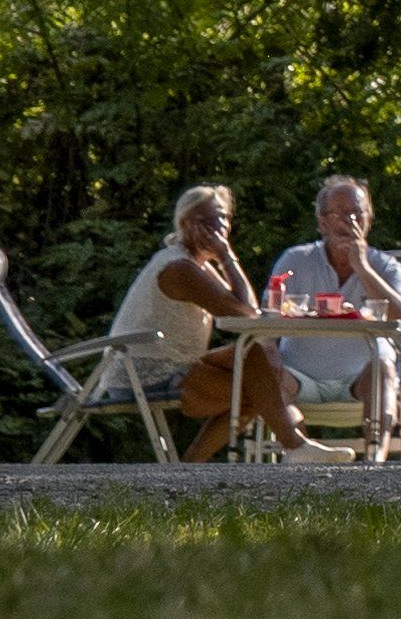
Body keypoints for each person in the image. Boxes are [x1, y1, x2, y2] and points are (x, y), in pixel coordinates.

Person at [113, 181, 310, 461]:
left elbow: (248, 311)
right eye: (207, 220)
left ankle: (192, 467)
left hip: (180, 361)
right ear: (185, 224)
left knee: (254, 355)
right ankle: (296, 447)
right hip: (146, 373)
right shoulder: (179, 267)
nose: (219, 227)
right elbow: (244, 314)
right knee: (257, 389)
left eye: (224, 218)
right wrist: (226, 257)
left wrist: (226, 258)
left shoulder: (196, 264)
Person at [265, 173, 401, 447]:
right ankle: (301, 454)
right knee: (265, 370)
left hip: (361, 380)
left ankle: (376, 461)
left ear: (369, 219)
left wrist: (362, 267)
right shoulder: (295, 262)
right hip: (299, 377)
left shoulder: (385, 267)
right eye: (339, 214)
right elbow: (268, 320)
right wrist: (270, 354)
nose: (349, 221)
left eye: (357, 213)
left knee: (384, 369)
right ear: (322, 221)